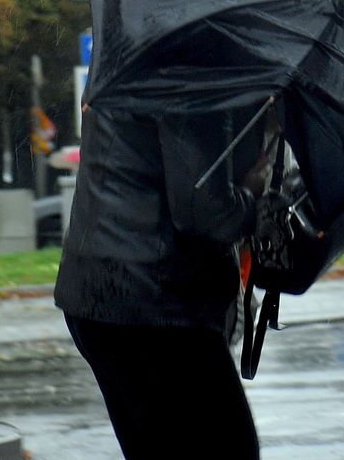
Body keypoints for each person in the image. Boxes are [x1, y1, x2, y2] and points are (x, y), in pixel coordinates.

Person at [55, 103, 268, 459]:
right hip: (159, 299)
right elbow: (203, 209)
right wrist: (252, 199)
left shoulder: (129, 73)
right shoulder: (192, 83)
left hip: (95, 287)